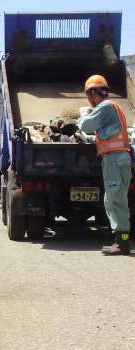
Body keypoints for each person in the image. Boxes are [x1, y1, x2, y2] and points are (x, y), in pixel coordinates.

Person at [77, 74, 132, 255]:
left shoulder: (106, 106)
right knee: (111, 200)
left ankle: (123, 243)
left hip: (115, 159)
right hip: (114, 158)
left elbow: (86, 125)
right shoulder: (112, 107)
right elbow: (108, 136)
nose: (88, 99)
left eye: (88, 95)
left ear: (94, 92)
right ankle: (119, 240)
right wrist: (90, 138)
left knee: (116, 198)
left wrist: (82, 116)